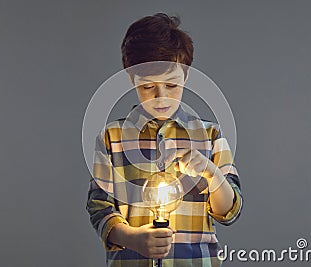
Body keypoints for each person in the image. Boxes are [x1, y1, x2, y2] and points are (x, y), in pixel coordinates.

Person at [86, 13, 243, 267]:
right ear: (130, 78)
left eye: (172, 86)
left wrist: (211, 173)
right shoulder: (112, 138)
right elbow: (100, 207)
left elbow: (230, 211)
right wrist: (132, 238)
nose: (161, 97)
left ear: (186, 76)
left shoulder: (210, 136)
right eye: (148, 87)